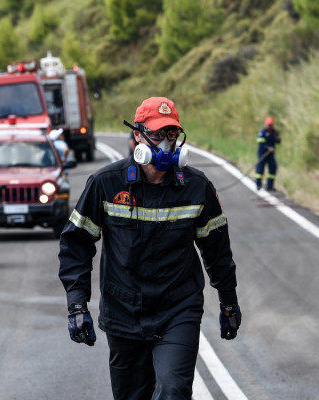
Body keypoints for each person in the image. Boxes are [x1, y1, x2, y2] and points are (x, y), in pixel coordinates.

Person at [58, 96, 241, 400]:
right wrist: (77, 304)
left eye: (172, 135)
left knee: (173, 390)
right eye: (157, 135)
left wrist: (229, 302)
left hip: (177, 309)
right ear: (137, 136)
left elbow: (217, 250)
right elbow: (76, 244)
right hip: (123, 313)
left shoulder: (197, 187)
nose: (166, 144)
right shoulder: (106, 184)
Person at [255, 116, 281, 191]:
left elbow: (278, 141)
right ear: (266, 124)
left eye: (271, 125)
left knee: (273, 168)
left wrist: (278, 139)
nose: (270, 126)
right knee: (260, 170)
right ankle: (258, 184)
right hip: (262, 154)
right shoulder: (262, 133)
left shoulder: (274, 132)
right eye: (268, 125)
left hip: (271, 155)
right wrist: (268, 148)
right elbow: (261, 143)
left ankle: (269, 185)